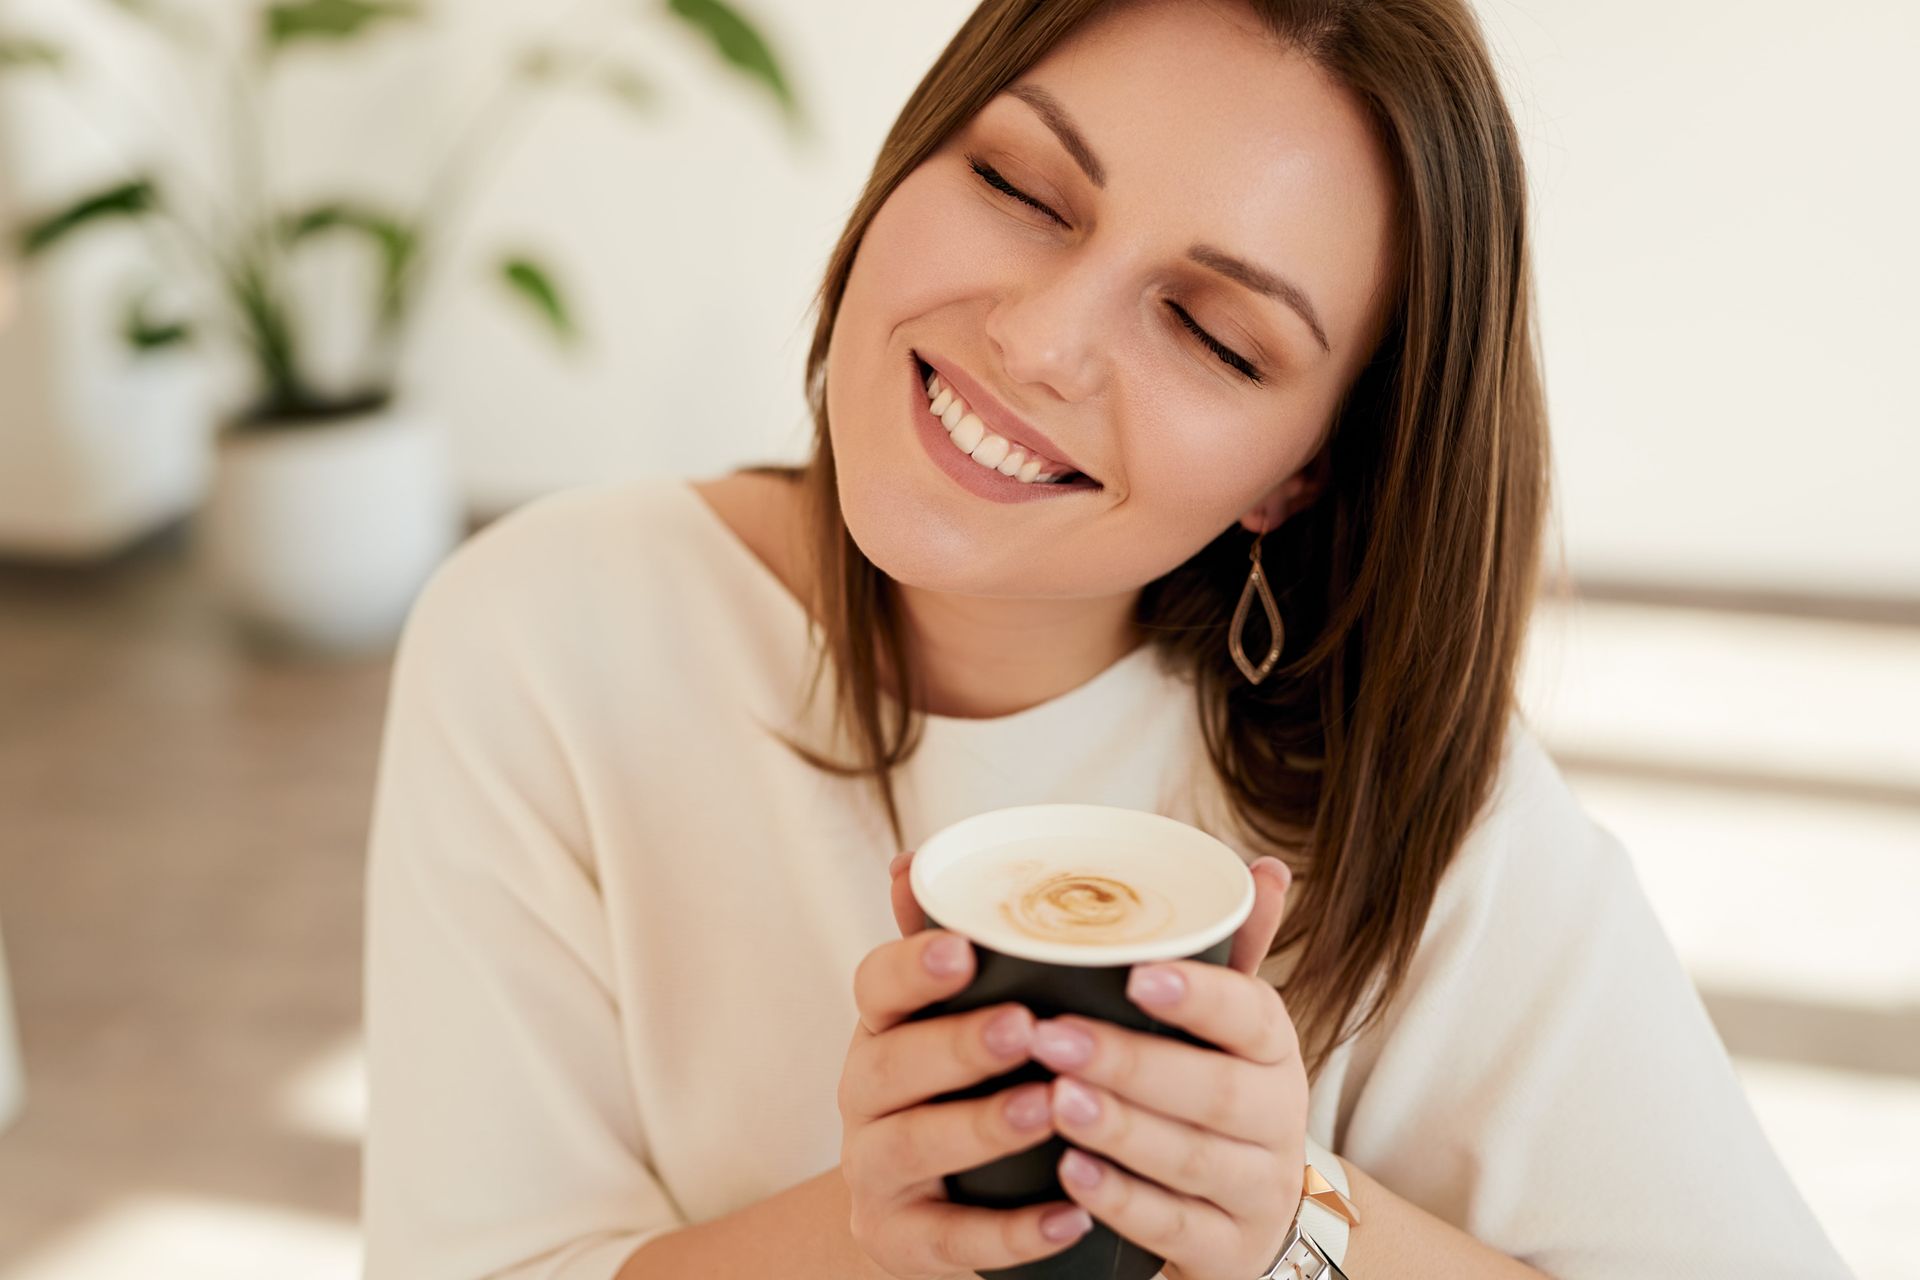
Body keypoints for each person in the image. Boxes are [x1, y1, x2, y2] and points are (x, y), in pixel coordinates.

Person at [358, 1, 1856, 1277]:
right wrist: (863, 1232)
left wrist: (1292, 1216)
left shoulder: (1405, 796)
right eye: (1019, 185)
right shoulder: (549, 633)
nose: (1042, 341)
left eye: (1212, 335)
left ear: (1305, 469)